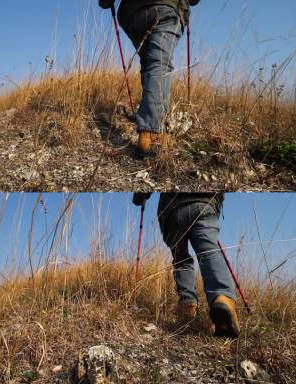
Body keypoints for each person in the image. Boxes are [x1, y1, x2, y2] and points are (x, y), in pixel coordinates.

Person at [99, 0, 200, 156]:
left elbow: (105, 2)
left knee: (149, 63)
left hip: (132, 15)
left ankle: (148, 121)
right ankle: (151, 132)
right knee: (159, 63)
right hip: (167, 7)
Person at [133, 192, 240, 338]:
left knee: (181, 259)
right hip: (203, 202)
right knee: (209, 252)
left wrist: (140, 195)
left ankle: (188, 306)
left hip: (171, 212)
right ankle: (223, 299)